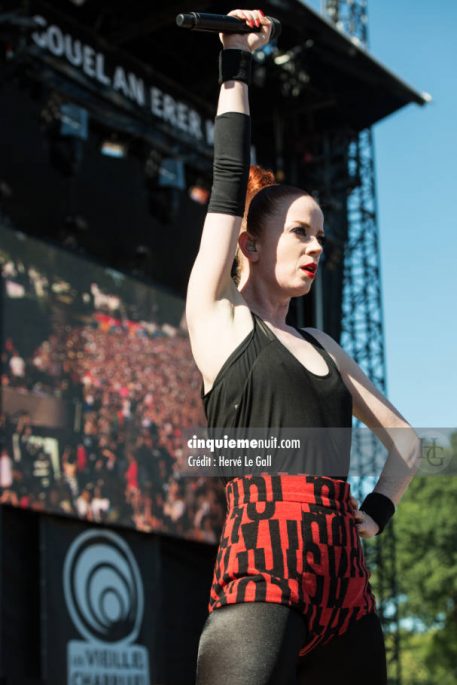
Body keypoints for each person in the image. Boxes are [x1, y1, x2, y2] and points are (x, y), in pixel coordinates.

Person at [185, 9, 421, 684]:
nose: (317, 245)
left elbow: (406, 443)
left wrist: (371, 516)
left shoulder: (324, 343)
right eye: (299, 232)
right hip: (261, 568)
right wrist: (235, 60)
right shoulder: (219, 320)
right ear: (250, 245)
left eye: (320, 233)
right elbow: (228, 175)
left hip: (345, 588)